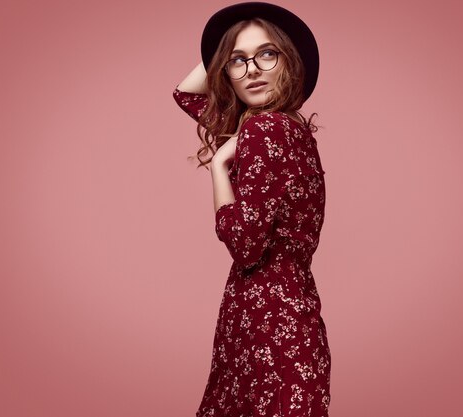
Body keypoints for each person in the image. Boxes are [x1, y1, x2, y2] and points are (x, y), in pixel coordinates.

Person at [172, 2, 331, 416]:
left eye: (266, 54)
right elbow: (186, 94)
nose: (252, 70)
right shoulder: (288, 126)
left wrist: (219, 171)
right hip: (288, 316)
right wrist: (225, 39)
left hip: (266, 325)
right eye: (237, 61)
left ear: (289, 61)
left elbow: (245, 246)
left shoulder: (263, 129)